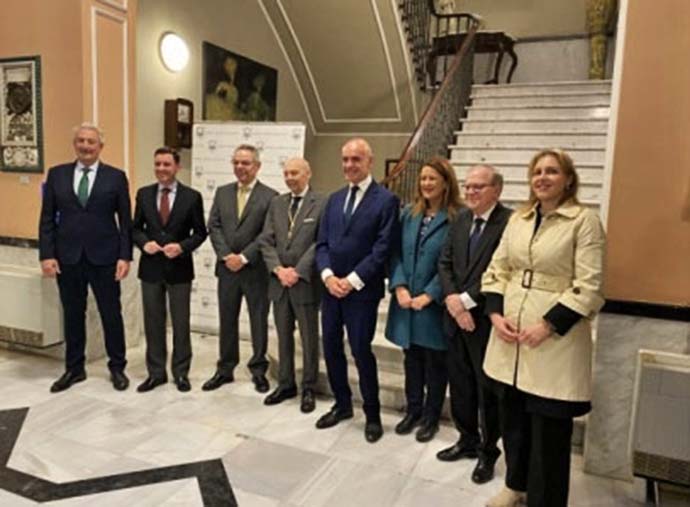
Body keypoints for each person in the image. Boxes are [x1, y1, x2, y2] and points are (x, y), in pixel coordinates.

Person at [482, 149, 605, 507]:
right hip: (510, 337)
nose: (542, 177)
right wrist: (494, 313)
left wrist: (548, 325)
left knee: (549, 433)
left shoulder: (584, 221)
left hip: (554, 343)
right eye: (537, 171)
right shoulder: (518, 219)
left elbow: (590, 285)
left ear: (568, 179)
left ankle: (545, 500)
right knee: (514, 422)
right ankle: (515, 485)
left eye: (552, 171)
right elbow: (497, 268)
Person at [314, 138, 400, 443]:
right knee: (332, 348)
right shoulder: (334, 199)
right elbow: (321, 243)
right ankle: (342, 404)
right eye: (345, 159)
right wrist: (327, 276)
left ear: (369, 161)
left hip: (361, 292)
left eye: (356, 159)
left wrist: (350, 280)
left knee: (361, 351)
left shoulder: (386, 200)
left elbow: (382, 249)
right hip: (330, 289)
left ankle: (372, 414)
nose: (349, 165)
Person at [39, 123, 132, 392]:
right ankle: (74, 369)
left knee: (111, 314)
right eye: (80, 141)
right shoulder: (57, 175)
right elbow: (46, 220)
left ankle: (117, 368)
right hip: (67, 258)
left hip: (105, 257)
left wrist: (124, 256)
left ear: (100, 146)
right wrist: (47, 254)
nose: (85, 146)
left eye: (91, 142)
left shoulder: (115, 177)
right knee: (72, 315)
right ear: (74, 144)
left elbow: (125, 222)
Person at [436, 164, 511, 484]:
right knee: (461, 384)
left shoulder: (509, 223)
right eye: (467, 186)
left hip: (484, 320)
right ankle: (466, 439)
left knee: (487, 391)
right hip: (455, 318)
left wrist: (466, 302)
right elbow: (445, 262)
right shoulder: (460, 218)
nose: (470, 192)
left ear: (496, 190)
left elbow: (503, 270)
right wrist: (453, 301)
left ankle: (488, 451)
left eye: (478, 187)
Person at [385, 157, 462, 443]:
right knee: (411, 359)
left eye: (432, 178)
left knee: (435, 363)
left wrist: (431, 294)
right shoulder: (408, 213)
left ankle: (431, 417)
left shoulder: (458, 217)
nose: (426, 183)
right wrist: (400, 286)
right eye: (423, 178)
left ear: (446, 182)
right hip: (406, 302)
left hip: (434, 305)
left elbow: (454, 263)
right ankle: (413, 409)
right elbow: (394, 254)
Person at [132, 147, 207, 393]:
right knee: (153, 323)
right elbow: (135, 229)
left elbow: (200, 232)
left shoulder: (191, 197)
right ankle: (156, 373)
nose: (161, 169)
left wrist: (182, 247)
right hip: (151, 269)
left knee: (181, 323)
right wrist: (145, 243)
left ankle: (181, 372)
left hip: (180, 270)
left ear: (177, 167)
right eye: (158, 164)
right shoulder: (143, 194)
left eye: (166, 164)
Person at [205, 144, 278, 393]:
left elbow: (268, 233)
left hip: (255, 271)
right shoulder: (222, 192)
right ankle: (225, 369)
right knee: (227, 320)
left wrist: (244, 257)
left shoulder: (271, 196)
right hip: (227, 270)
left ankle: (258, 369)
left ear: (256, 166)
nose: (240, 167)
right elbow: (213, 226)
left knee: (258, 321)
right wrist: (226, 255)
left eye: (245, 163)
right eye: (236, 162)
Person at [260, 158, 325, 413]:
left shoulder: (322, 203)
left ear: (308, 174)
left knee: (308, 338)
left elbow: (320, 242)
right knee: (283, 336)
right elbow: (266, 240)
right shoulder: (277, 203)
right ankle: (286, 383)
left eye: (294, 173)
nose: (289, 177)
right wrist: (278, 269)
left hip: (304, 283)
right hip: (279, 283)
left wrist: (297, 272)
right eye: (286, 173)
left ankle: (308, 386)